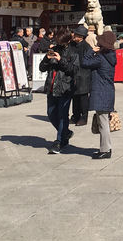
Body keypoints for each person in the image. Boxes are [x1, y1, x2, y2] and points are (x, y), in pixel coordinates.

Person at [40, 32, 79, 154]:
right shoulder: (54, 50)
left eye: (60, 41)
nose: (58, 44)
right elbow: (42, 68)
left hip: (65, 87)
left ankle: (59, 141)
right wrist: (47, 59)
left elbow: (74, 70)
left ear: (67, 41)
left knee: (62, 115)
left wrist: (61, 60)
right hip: (52, 86)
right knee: (51, 114)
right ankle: (65, 133)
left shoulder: (73, 53)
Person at [82, 30, 117, 159]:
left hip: (101, 92)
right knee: (103, 121)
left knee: (103, 123)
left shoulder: (101, 58)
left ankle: (105, 149)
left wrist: (91, 52)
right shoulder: (110, 56)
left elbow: (84, 62)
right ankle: (105, 148)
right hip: (107, 91)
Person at [70, 26, 92, 126]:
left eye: (76, 35)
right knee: (75, 98)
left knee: (83, 98)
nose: (74, 36)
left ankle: (83, 118)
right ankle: (75, 116)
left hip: (83, 75)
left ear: (81, 37)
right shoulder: (72, 45)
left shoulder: (86, 48)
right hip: (74, 74)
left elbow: (88, 63)